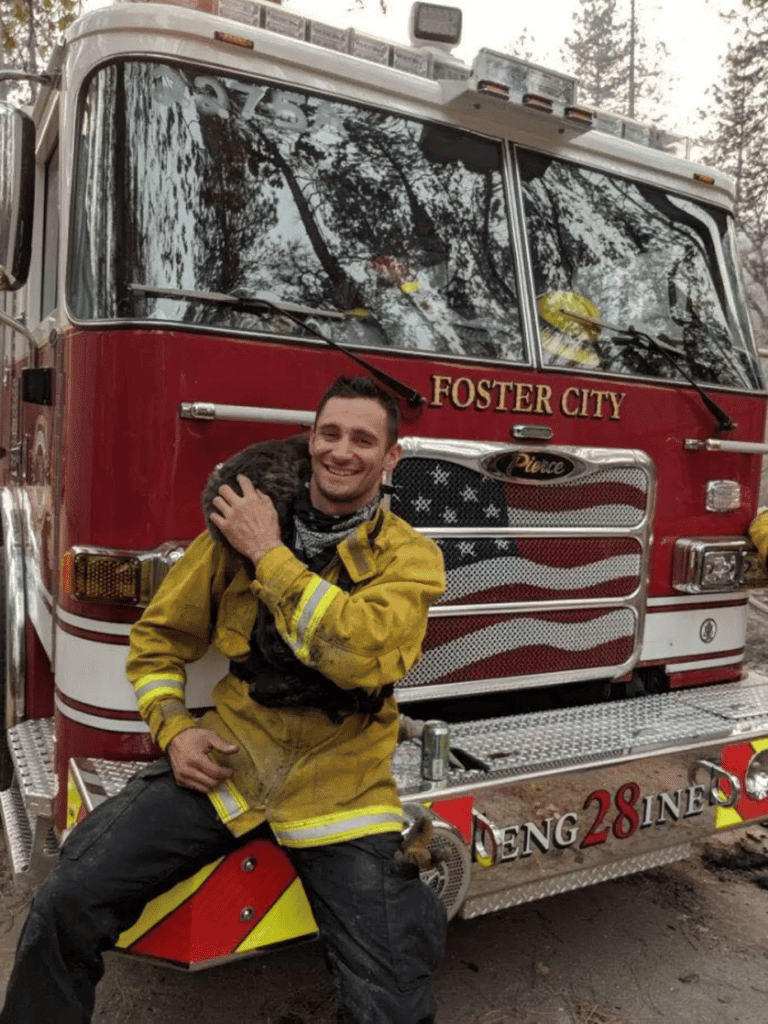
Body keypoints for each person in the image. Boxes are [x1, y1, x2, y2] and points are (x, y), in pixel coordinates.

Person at [0, 376, 447, 1024]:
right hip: (231, 764)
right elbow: (156, 641)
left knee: (395, 1005)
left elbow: (354, 654)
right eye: (330, 434)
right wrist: (175, 730)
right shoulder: (230, 535)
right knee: (66, 898)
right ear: (311, 438)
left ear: (390, 457)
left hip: (342, 793)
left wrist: (267, 551)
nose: (342, 452)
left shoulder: (413, 559)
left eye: (363, 439)